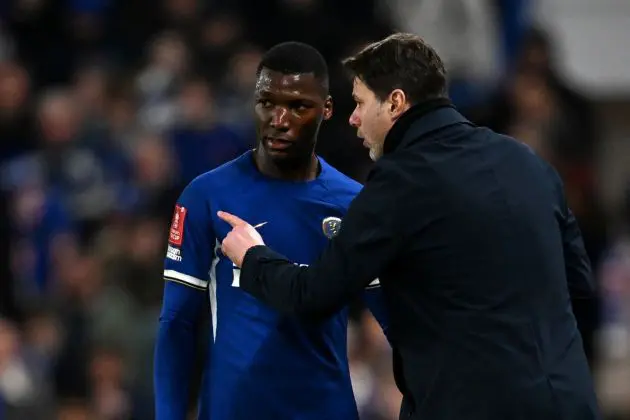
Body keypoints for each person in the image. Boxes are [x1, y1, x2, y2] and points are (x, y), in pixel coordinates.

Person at [219, 33, 601, 420]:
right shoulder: (528, 162)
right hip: (569, 401)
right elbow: (580, 283)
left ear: (396, 102)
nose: (352, 118)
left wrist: (252, 257)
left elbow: (314, 295)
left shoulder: (401, 182)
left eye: (360, 103)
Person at [153, 41, 388, 420]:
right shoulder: (206, 196)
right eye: (268, 102)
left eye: (298, 106)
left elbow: (398, 325)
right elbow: (177, 323)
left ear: (326, 110)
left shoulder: (356, 204)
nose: (279, 119)